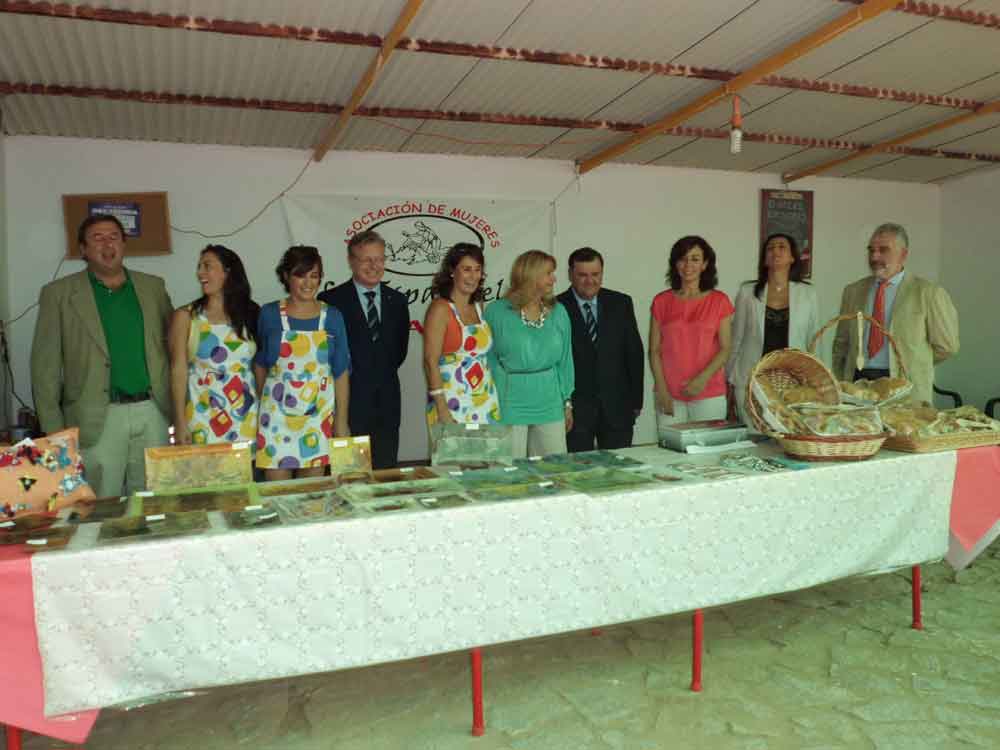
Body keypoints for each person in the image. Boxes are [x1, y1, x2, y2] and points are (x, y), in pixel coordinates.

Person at [30, 214, 173, 497]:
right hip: (96, 416)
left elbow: (174, 348)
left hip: (153, 411)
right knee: (100, 504)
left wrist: (180, 411)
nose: (107, 244)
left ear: (123, 244)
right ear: (83, 249)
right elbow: (44, 368)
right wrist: (55, 432)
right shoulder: (58, 294)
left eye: (113, 237)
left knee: (154, 502)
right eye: (97, 238)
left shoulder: (153, 287)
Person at [832, 223, 959, 405]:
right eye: (871, 250)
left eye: (883, 250)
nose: (874, 256)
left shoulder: (928, 293)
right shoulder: (853, 291)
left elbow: (947, 346)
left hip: (904, 387)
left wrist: (915, 361)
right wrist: (840, 381)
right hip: (857, 385)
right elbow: (841, 344)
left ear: (903, 254)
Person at [254, 246, 350, 479]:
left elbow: (341, 372)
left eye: (314, 276)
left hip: (317, 418)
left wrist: (341, 422)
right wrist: (265, 407)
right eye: (300, 275)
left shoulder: (333, 316)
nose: (308, 283)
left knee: (312, 494)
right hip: (276, 419)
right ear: (286, 276)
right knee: (277, 493)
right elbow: (260, 364)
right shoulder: (269, 314)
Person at [318, 230, 411, 469]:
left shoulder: (398, 301)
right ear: (351, 261)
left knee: (385, 473)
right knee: (349, 474)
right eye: (366, 260)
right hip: (347, 405)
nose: (374, 266)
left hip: (387, 404)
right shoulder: (330, 301)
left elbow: (398, 353)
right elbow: (327, 357)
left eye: (379, 259)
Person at [168, 245, 260, 447]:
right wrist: (179, 421)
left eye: (207, 266)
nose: (200, 273)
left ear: (227, 272)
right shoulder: (186, 316)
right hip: (202, 419)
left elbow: (260, 368)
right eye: (199, 267)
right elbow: (178, 371)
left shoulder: (251, 313)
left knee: (245, 469)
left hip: (246, 420)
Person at [485, 250, 574, 458]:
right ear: (530, 275)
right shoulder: (496, 312)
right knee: (509, 469)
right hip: (509, 403)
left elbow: (565, 361)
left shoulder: (559, 312)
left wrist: (567, 401)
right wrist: (492, 402)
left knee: (554, 467)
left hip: (550, 403)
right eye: (548, 273)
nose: (554, 279)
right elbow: (488, 359)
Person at [556, 247, 644, 451]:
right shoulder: (556, 307)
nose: (590, 281)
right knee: (578, 468)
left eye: (595, 274)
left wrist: (636, 402)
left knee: (620, 467)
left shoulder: (621, 303)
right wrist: (563, 404)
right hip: (575, 412)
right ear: (570, 275)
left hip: (617, 408)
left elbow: (634, 353)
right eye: (582, 275)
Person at [727, 233, 819, 425]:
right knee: (753, 436)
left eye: (782, 247)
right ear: (764, 259)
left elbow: (814, 339)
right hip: (751, 380)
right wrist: (729, 379)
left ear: (792, 257)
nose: (775, 251)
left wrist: (816, 382)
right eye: (770, 248)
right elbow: (736, 339)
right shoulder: (747, 292)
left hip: (792, 383)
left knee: (788, 434)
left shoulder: (808, 293)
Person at [649, 236, 734, 426]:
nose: (688, 265)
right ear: (675, 264)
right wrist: (661, 389)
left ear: (705, 264)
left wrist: (701, 380)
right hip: (669, 393)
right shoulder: (661, 301)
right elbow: (654, 350)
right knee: (671, 445)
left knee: (706, 445)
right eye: (683, 258)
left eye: (695, 259)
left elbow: (726, 348)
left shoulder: (719, 301)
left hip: (708, 392)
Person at [422, 243, 501, 425]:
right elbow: (430, 361)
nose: (473, 276)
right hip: (451, 402)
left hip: (485, 400)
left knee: (486, 445)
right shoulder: (440, 309)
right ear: (452, 271)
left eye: (477, 269)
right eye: (466, 269)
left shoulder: (479, 306)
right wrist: (442, 409)